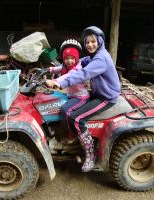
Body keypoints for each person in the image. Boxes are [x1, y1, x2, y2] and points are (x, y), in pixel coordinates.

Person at [46, 26, 121, 172]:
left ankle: (90, 156)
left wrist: (59, 82)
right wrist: (53, 69)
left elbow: (83, 74)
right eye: (87, 42)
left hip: (106, 97)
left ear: (99, 41)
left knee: (77, 118)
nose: (90, 45)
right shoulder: (93, 56)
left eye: (93, 41)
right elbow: (79, 62)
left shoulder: (101, 58)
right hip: (98, 92)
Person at [47, 39, 90, 140]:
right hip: (71, 95)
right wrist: (49, 69)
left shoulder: (77, 68)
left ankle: (70, 135)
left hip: (81, 97)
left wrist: (55, 81)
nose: (69, 61)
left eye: (72, 58)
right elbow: (60, 68)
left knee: (65, 111)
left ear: (76, 58)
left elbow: (68, 76)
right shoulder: (66, 66)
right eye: (67, 58)